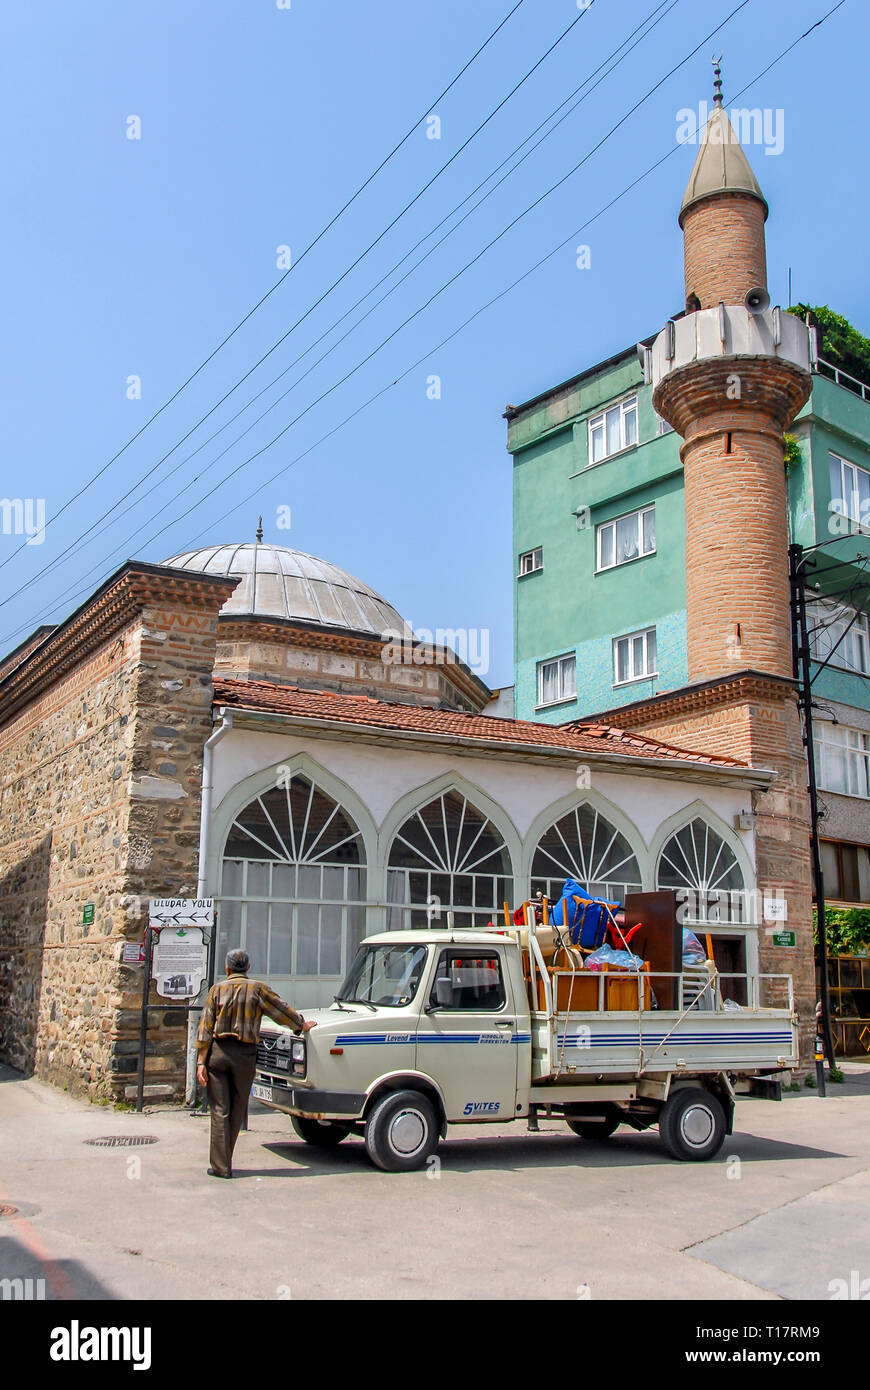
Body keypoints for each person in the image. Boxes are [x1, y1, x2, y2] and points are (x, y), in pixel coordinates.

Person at [196, 949, 316, 1178]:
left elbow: (205, 1029)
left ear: (227, 969)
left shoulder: (217, 990)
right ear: (248, 968)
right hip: (245, 1055)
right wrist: (301, 1024)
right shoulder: (258, 989)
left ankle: (221, 1166)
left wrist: (201, 1063)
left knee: (220, 1110)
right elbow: (280, 1010)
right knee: (238, 1107)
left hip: (218, 1053)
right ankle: (225, 1160)